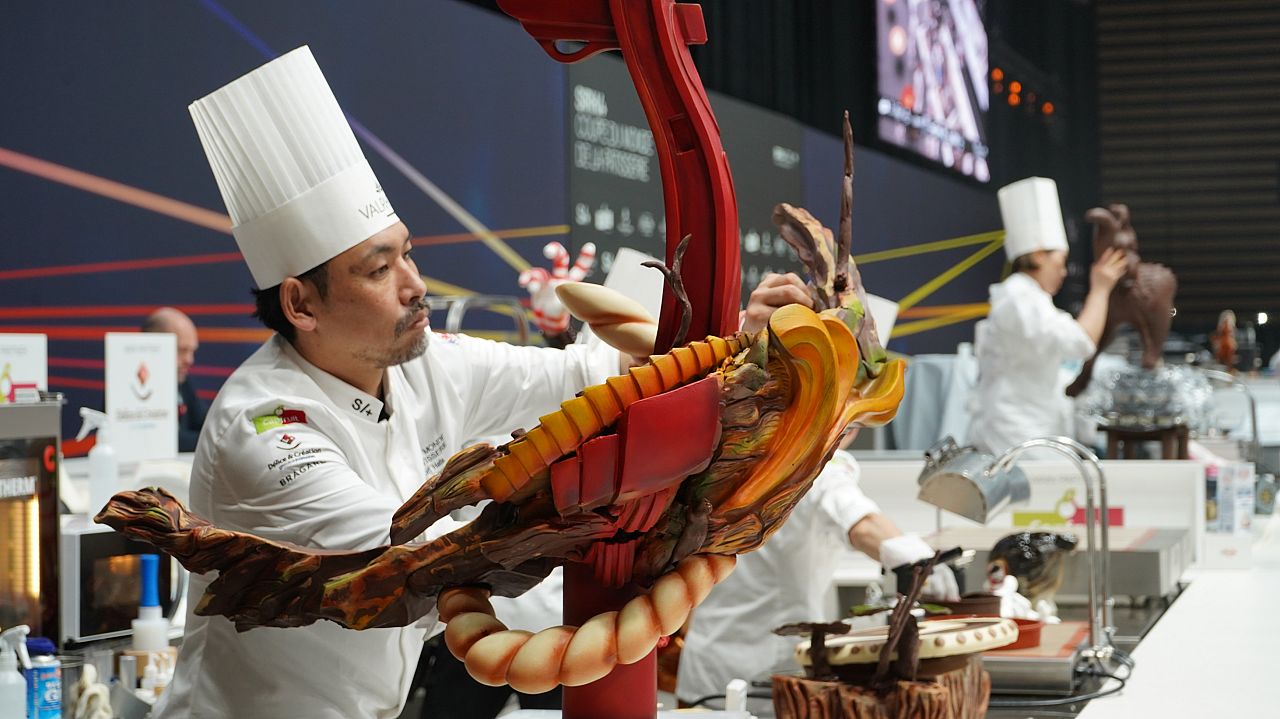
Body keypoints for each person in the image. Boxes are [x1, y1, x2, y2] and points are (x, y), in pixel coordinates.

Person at [160, 47, 799, 719]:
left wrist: (743, 337)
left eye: (407, 253)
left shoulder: (422, 363)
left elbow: (587, 374)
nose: (414, 285)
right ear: (301, 305)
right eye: (379, 270)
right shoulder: (262, 427)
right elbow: (415, 559)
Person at [675, 434, 959, 707]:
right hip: (768, 679)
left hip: (704, 668)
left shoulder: (730, 456)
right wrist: (915, 559)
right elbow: (862, 525)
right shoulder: (819, 470)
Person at [967, 177, 1128, 455]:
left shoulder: (1030, 297)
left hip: (1032, 432)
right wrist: (1100, 288)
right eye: (1061, 262)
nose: (1064, 273)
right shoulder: (1018, 298)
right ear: (1039, 255)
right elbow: (1079, 342)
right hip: (1016, 437)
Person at [141, 307, 206, 452]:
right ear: (152, 345)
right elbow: (156, 441)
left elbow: (208, 424)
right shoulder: (128, 388)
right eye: (182, 350)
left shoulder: (181, 382)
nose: (190, 360)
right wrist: (215, 442)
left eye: (192, 351)